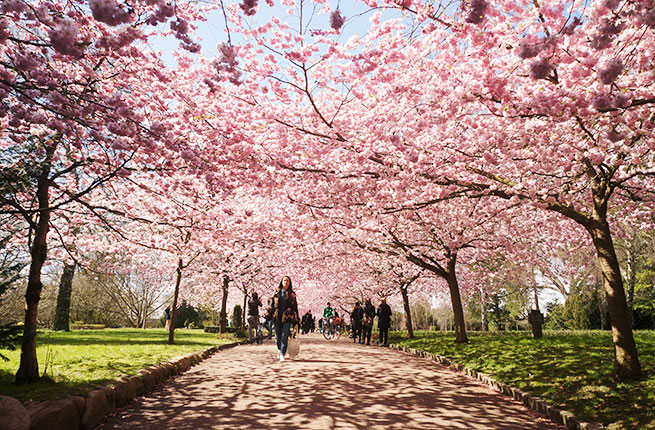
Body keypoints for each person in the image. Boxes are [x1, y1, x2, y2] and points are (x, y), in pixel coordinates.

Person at [271, 276, 299, 361]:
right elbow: (272, 304)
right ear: (281, 282)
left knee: (285, 335)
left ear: (290, 283)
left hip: (287, 317)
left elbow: (295, 307)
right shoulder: (277, 292)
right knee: (278, 336)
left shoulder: (292, 294)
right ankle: (279, 349)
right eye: (284, 280)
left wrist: (297, 320)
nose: (286, 282)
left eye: (287, 281)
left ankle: (282, 353)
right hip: (277, 316)